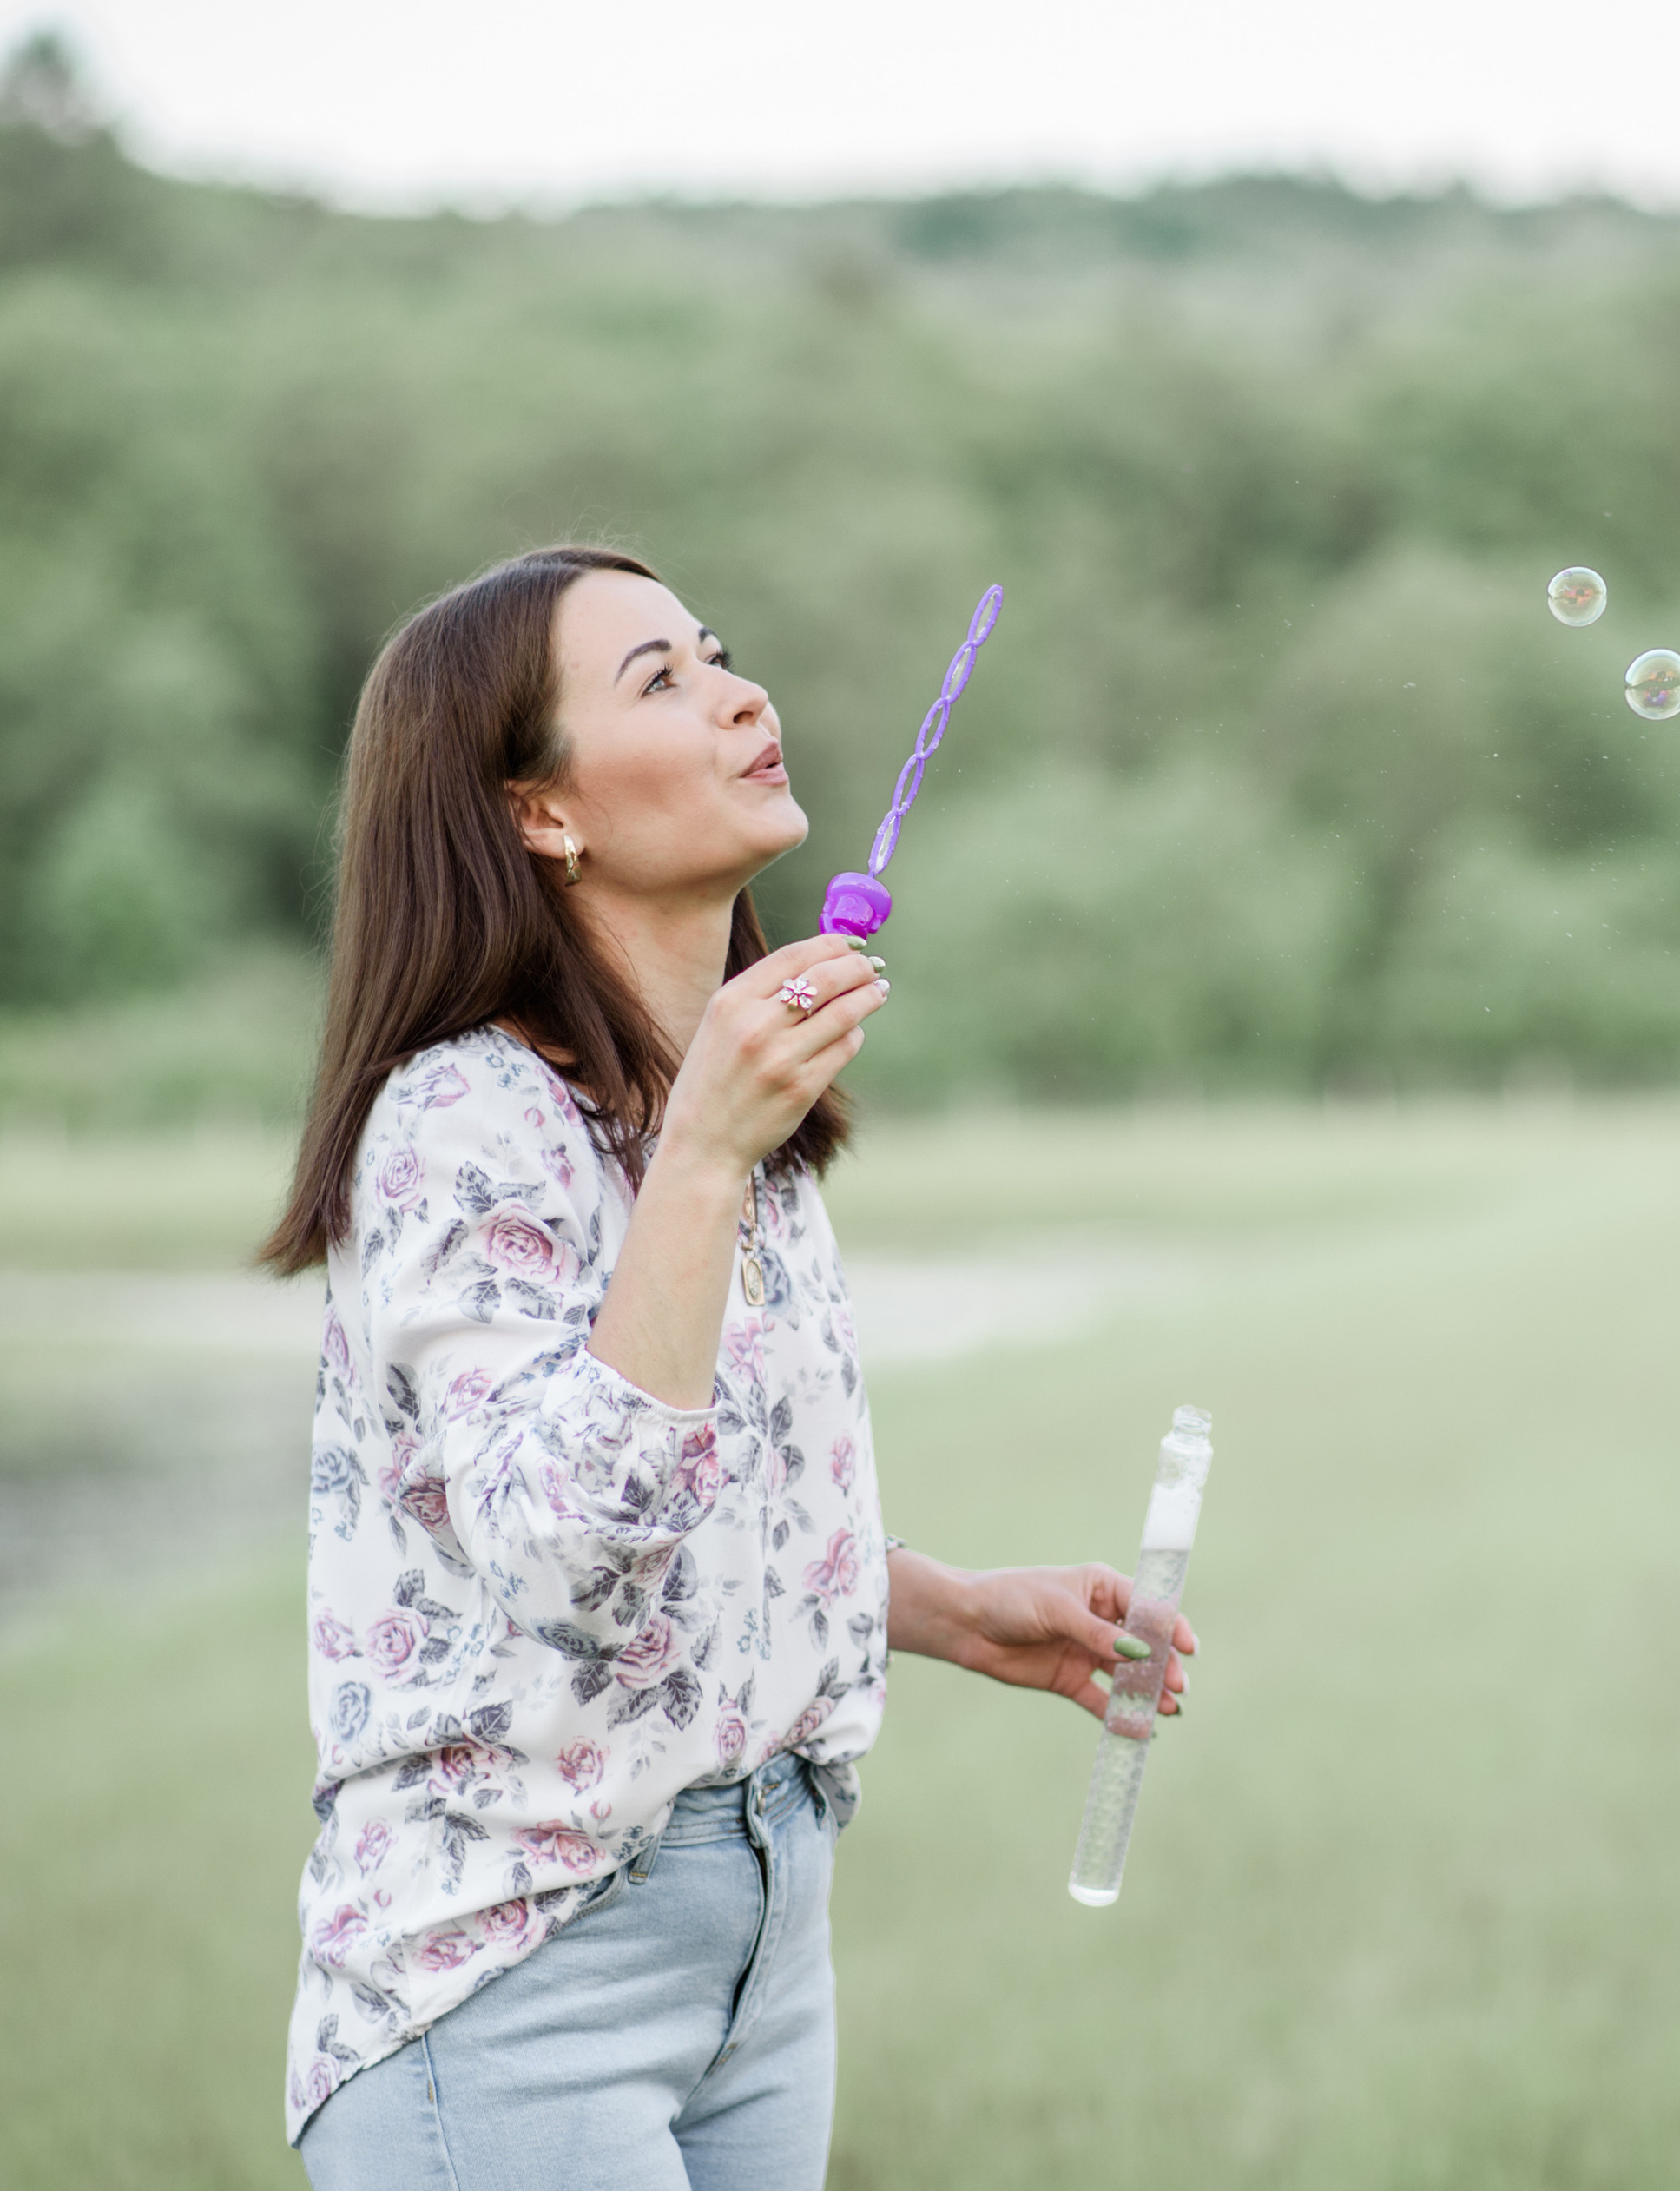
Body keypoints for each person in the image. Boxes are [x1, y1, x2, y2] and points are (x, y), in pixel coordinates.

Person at [262, 546, 1196, 2190]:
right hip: (515, 1972)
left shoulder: (728, 1117)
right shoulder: (462, 1121)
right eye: (661, 682)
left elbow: (714, 1484)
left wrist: (935, 1605)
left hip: (764, 1938)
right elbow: (559, 1551)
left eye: (718, 654)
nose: (742, 694)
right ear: (540, 812)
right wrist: (697, 1155)